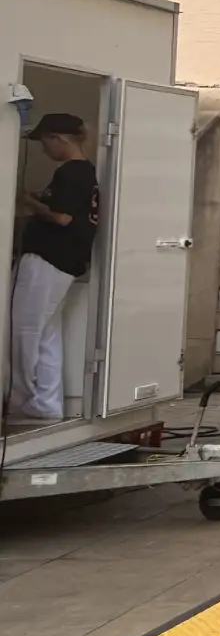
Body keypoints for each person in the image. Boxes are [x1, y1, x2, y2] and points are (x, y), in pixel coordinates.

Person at [9, 113, 99, 423]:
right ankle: (45, 403)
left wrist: (23, 199)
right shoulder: (84, 173)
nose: (44, 150)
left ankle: (22, 399)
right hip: (63, 262)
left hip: (47, 260)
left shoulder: (72, 173)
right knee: (46, 334)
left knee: (24, 330)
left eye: (45, 142)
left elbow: (61, 217)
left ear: (58, 138)